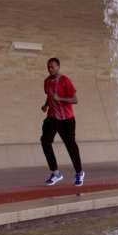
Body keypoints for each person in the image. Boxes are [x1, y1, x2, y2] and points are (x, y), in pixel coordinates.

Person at [40, 57, 85, 186]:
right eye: (48, 67)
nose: (50, 69)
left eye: (52, 67)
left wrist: (60, 98)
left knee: (71, 146)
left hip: (67, 120)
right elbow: (49, 96)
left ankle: (79, 172)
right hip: (52, 118)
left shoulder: (65, 81)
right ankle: (55, 173)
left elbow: (75, 100)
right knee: (45, 141)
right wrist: (46, 105)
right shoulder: (47, 81)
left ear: (58, 67)